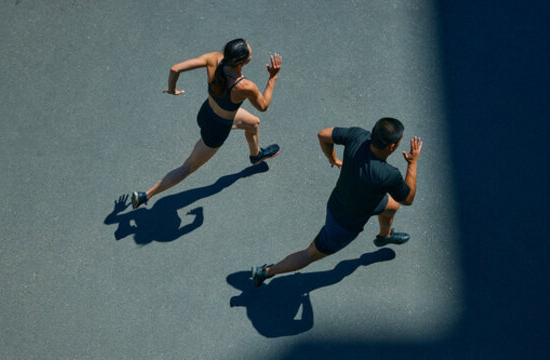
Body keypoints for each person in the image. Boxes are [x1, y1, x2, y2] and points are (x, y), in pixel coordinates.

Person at [251, 117, 422, 286]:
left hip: (347, 200)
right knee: (309, 254)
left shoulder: (358, 136)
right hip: (343, 224)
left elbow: (323, 135)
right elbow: (408, 199)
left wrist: (332, 158)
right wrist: (412, 163)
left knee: (392, 206)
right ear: (392, 146)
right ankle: (265, 272)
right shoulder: (388, 174)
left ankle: (384, 236)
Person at [130, 38, 282, 209]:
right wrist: (273, 77)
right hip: (217, 130)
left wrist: (172, 90)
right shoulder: (245, 86)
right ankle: (145, 196)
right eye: (250, 53)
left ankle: (256, 156)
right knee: (188, 167)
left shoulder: (214, 58)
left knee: (253, 123)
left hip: (206, 113)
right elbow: (263, 106)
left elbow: (175, 69)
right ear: (243, 61)